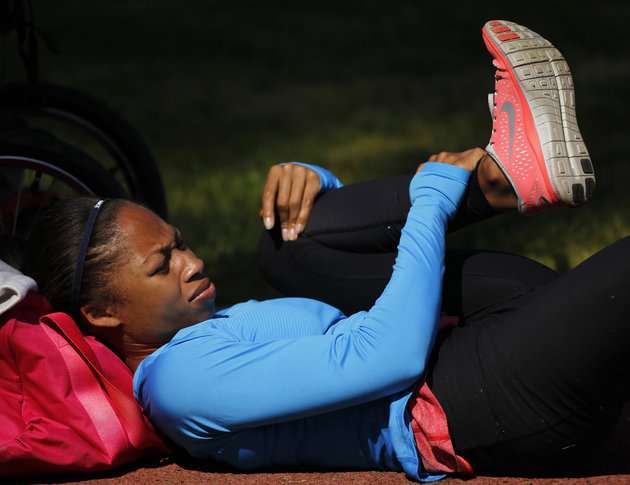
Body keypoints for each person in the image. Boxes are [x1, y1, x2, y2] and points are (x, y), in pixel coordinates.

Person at [12, 20, 627, 482]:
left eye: (180, 244)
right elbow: (387, 357)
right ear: (101, 314)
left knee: (283, 243)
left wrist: (323, 190)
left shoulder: (203, 330)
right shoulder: (180, 384)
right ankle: (491, 181)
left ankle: (506, 178)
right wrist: (430, 204)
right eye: (161, 264)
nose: (193, 262)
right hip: (473, 402)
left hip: (474, 348)